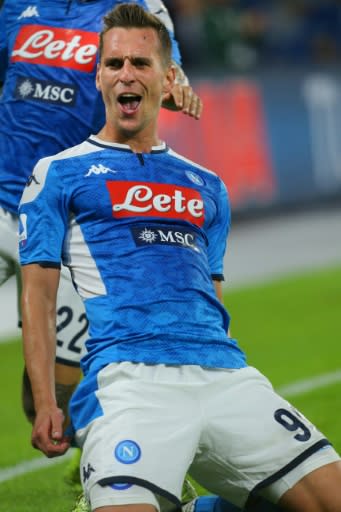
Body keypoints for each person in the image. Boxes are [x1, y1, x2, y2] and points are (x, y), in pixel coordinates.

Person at [19, 4, 341, 512]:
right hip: (130, 383)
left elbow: (213, 298)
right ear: (99, 76)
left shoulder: (207, 185)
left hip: (227, 378)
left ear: (168, 77)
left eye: (140, 64)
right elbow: (36, 295)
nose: (126, 73)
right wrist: (44, 401)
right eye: (114, 63)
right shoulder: (58, 174)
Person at [0, 0, 202, 425]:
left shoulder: (136, 7)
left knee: (49, 399)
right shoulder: (16, 7)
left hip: (68, 215)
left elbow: (166, 68)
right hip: (4, 201)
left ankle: (107, 466)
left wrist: (176, 84)